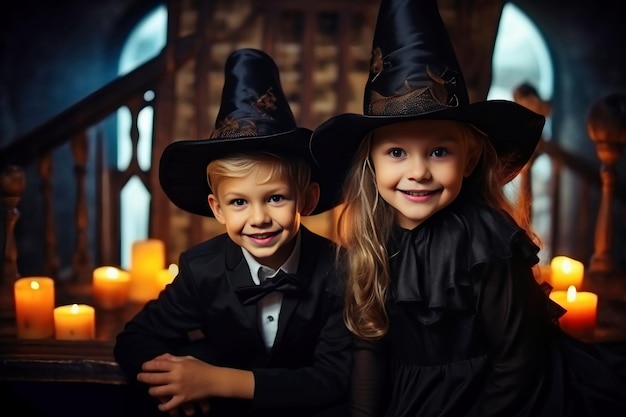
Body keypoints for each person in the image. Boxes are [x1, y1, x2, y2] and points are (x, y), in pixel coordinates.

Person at [308, 0, 626, 416]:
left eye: (439, 151)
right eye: (397, 152)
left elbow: (517, 363)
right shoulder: (370, 239)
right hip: (410, 396)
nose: (418, 172)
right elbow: (369, 350)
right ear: (371, 163)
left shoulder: (487, 243)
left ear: (470, 160)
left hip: (496, 396)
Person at [114, 48, 351, 417]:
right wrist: (175, 384)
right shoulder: (200, 268)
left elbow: (333, 378)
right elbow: (135, 340)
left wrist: (217, 380)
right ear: (217, 209)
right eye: (239, 203)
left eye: (275, 198)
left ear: (307, 199)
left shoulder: (341, 270)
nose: (258, 218)